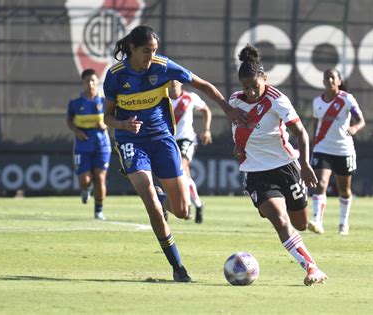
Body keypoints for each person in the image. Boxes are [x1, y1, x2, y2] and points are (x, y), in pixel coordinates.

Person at [103, 25, 246, 282]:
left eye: (155, 50)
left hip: (161, 139)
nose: (151, 56)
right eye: (146, 51)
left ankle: (161, 197)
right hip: (131, 141)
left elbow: (202, 84)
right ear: (133, 49)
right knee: (152, 205)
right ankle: (178, 268)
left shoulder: (162, 66)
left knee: (183, 211)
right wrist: (123, 125)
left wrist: (226, 108)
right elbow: (107, 117)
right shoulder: (115, 76)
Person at [230, 44, 327, 286]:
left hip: (287, 166)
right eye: (246, 88)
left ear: (265, 79)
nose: (251, 92)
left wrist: (304, 163)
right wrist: (238, 147)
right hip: (256, 172)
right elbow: (239, 130)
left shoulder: (277, 100)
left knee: (300, 224)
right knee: (280, 220)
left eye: (255, 86)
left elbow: (301, 133)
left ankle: (282, 216)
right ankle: (311, 267)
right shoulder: (234, 101)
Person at [308, 68, 366, 236]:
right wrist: (314, 143)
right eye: (327, 78)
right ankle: (317, 221)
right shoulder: (317, 102)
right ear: (323, 81)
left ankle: (343, 222)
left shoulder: (347, 99)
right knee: (320, 184)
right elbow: (315, 124)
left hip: (343, 149)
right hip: (323, 148)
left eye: (333, 78)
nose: (330, 80)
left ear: (339, 81)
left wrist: (355, 128)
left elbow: (361, 121)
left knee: (344, 189)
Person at [67, 68, 111, 220]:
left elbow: (113, 117)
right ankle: (86, 189)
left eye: (93, 80)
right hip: (83, 144)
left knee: (100, 177)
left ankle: (98, 211)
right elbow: (69, 120)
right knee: (85, 180)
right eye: (87, 81)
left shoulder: (105, 101)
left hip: (102, 144)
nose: (90, 84)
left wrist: (106, 125)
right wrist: (76, 131)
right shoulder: (75, 102)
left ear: (97, 82)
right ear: (83, 83)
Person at [168, 80, 212, 224]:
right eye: (170, 80)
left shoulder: (190, 97)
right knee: (180, 175)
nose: (173, 83)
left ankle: (186, 206)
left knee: (181, 166)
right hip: (169, 142)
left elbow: (206, 110)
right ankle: (198, 204)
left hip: (187, 140)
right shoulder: (163, 99)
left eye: (176, 80)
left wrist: (206, 130)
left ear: (181, 83)